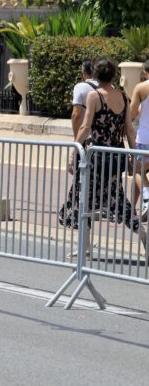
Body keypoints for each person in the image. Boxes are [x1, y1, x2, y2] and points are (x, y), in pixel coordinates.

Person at [60, 59, 141, 257]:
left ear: (95, 76)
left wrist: (74, 151)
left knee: (83, 197)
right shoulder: (123, 96)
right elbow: (130, 130)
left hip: (94, 156)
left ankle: (85, 246)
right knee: (118, 200)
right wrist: (132, 156)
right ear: (113, 75)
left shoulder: (93, 96)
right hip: (115, 157)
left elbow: (85, 127)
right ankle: (143, 234)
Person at [126, 59, 149, 219]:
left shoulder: (141, 87)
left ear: (146, 72)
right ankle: (131, 208)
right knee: (140, 171)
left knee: (136, 169)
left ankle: (147, 196)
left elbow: (132, 113)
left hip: (145, 137)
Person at [71, 59, 99, 137]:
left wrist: (77, 139)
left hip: (86, 138)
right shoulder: (110, 87)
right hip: (105, 139)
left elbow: (76, 114)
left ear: (84, 72)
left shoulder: (80, 87)